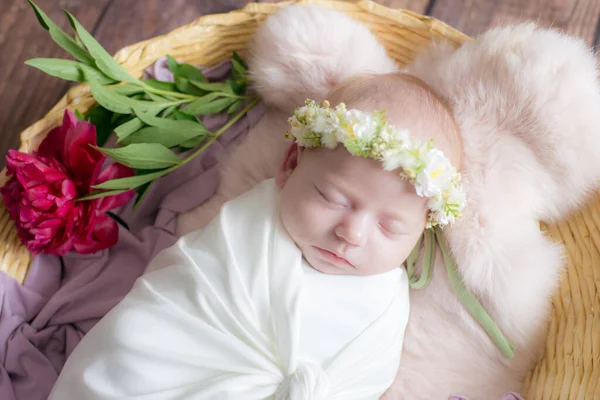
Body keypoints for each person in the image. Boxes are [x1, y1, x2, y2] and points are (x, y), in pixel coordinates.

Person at [49, 72, 464, 399]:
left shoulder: (385, 306)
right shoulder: (249, 225)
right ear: (289, 165)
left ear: (420, 234)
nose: (351, 233)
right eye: (331, 197)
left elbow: (363, 379)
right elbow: (174, 306)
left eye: (390, 227)